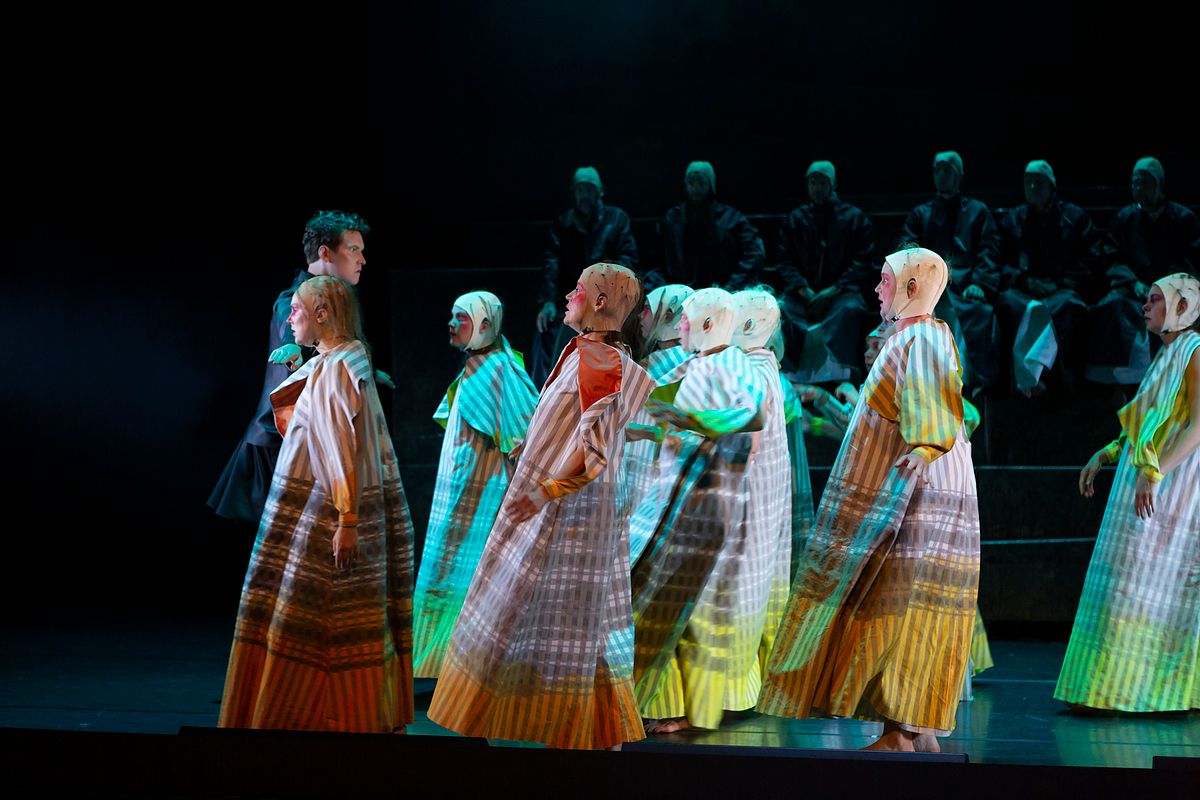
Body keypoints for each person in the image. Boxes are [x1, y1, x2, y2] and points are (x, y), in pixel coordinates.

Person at [758, 247, 980, 753]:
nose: (877, 290)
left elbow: (931, 398)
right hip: (913, 477)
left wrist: (924, 446)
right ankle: (916, 730)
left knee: (897, 599)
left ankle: (900, 732)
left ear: (911, 287)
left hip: (916, 486)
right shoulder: (912, 336)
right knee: (905, 600)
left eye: (885, 280)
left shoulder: (923, 335)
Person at [427, 263, 653, 750]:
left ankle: (558, 730)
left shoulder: (601, 358)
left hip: (568, 514)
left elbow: (590, 449)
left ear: (599, 302)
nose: (568, 295)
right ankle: (588, 732)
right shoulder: (590, 353)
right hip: (567, 507)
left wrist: (542, 492)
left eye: (578, 289)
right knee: (578, 621)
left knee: (545, 612)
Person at [219, 275, 415, 733]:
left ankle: (312, 716)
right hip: (327, 503)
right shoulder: (337, 360)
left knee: (314, 615)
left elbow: (338, 444)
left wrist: (347, 519)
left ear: (323, 314)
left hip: (324, 511)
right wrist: (300, 365)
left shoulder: (338, 369)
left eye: (298, 311)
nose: (289, 319)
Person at [1056, 273, 1200, 712]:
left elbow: (1197, 425)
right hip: (1146, 475)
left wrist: (1155, 472)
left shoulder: (1194, 350)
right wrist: (1106, 452)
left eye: (1156, 300)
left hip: (1172, 481)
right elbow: (1146, 423)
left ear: (1181, 307)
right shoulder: (1168, 353)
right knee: (1127, 577)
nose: (1145, 307)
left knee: (1148, 579)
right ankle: (1111, 687)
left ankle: (1139, 689)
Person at [629, 287, 767, 733]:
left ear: (708, 324)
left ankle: (682, 710)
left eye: (686, 320)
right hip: (679, 501)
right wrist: (643, 431)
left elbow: (750, 416)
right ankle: (641, 702)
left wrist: (690, 421)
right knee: (655, 600)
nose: (680, 327)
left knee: (685, 609)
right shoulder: (701, 363)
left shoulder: (732, 364)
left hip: (704, 506)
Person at [209, 210, 378, 523]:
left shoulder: (333, 304)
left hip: (307, 441)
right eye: (353, 249)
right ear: (325, 253)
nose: (362, 260)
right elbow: (293, 331)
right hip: (278, 444)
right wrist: (294, 349)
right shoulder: (295, 299)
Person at [411, 291, 539, 678]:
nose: (452, 324)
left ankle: (463, 665)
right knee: (445, 568)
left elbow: (524, 437)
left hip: (482, 495)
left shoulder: (500, 370)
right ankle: (438, 664)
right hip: (458, 492)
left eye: (461, 318)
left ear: (484, 325)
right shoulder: (476, 366)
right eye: (452, 316)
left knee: (466, 575)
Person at [1089, 157, 1200, 388]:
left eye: (1145, 183)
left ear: (1159, 185)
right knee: (1112, 308)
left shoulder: (1183, 219)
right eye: (1135, 183)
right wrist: (1132, 282)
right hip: (1132, 289)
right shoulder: (1124, 219)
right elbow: (1112, 257)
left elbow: (1190, 260)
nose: (1139, 188)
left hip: (1172, 291)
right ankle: (1118, 383)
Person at [996, 160, 1102, 395]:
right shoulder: (1013, 220)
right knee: (1010, 305)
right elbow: (998, 260)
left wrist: (1060, 283)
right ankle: (1022, 380)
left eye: (1038, 182)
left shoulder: (1074, 217)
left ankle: (1055, 378)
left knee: (1066, 308)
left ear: (1052, 186)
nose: (1033, 187)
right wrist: (1023, 280)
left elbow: (1091, 260)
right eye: (1028, 182)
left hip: (1062, 290)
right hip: (1023, 290)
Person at [902, 151, 1002, 394]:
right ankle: (925, 383)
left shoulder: (977, 212)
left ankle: (967, 381)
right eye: (937, 170)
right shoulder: (921, 214)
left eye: (947, 170)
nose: (941, 175)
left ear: (958, 175)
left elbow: (988, 250)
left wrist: (979, 282)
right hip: (929, 289)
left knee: (975, 314)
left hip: (966, 288)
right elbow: (909, 253)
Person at [532, 166, 639, 385]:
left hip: (607, 298)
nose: (584, 195)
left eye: (589, 190)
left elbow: (627, 261)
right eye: (580, 190)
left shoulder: (616, 219)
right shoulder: (564, 223)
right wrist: (548, 301)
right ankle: (545, 390)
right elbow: (552, 264)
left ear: (600, 191)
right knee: (545, 328)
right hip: (573, 300)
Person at [774, 160, 876, 381]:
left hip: (841, 293)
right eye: (812, 182)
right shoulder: (795, 219)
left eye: (822, 182)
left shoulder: (853, 218)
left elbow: (862, 260)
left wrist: (833, 290)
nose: (817, 188)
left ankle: (835, 371)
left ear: (833, 184)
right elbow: (784, 259)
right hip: (803, 295)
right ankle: (792, 373)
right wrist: (802, 288)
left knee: (848, 310)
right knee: (783, 310)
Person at [623, 284, 695, 562]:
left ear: (668, 316)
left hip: (651, 465)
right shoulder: (686, 362)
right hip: (654, 461)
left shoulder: (664, 365)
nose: (641, 316)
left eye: (647, 309)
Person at [650, 161, 765, 291]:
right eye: (691, 182)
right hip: (678, 294)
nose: (696, 188)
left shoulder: (731, 219)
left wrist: (732, 286)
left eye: (701, 183)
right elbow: (654, 262)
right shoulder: (670, 219)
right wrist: (664, 290)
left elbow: (755, 254)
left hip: (720, 292)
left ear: (711, 185)